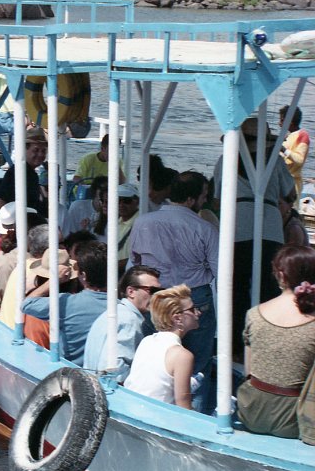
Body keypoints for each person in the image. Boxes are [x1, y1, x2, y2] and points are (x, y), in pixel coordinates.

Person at [130, 169, 218, 411]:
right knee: (198, 367)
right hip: (195, 297)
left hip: (158, 295)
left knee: (155, 355)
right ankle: (195, 418)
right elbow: (220, 272)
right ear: (191, 199)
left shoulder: (143, 222)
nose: (205, 201)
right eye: (203, 196)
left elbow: (135, 263)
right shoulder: (205, 229)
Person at [212, 117, 296, 360]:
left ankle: (235, 347)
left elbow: (216, 198)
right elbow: (290, 193)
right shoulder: (274, 162)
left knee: (236, 288)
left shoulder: (226, 160)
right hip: (270, 227)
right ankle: (266, 344)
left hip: (237, 225)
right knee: (269, 287)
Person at [237, 245, 315, 438]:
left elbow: (249, 370)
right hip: (295, 418)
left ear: (280, 275)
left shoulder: (254, 314)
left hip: (252, 410)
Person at [21, 240, 109, 365]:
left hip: (70, 371)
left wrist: (54, 280)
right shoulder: (120, 308)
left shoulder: (65, 303)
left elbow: (27, 304)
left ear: (83, 275)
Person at [124, 285, 200, 410]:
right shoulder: (182, 356)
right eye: (192, 310)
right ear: (177, 318)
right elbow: (184, 409)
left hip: (132, 410)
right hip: (156, 418)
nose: (198, 312)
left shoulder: (147, 341)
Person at [83, 265, 162, 381]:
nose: (157, 297)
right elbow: (115, 373)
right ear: (131, 292)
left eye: (159, 291)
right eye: (152, 291)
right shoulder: (129, 321)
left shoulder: (115, 313)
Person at [0, 223, 51, 327]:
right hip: (17, 331)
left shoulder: (25, 266)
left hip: (7, 327)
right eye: (62, 243)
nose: (65, 247)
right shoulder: (39, 274)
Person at [0, 127, 49, 217]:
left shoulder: (32, 174)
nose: (40, 154)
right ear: (25, 149)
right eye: (36, 150)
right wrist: (14, 221)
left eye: (43, 151)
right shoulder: (17, 172)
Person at [279, 105, 309, 200]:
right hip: (281, 182)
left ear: (290, 121)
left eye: (282, 120)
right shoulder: (287, 136)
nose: (279, 123)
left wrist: (283, 149)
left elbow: (299, 160)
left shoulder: (302, 135)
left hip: (293, 185)